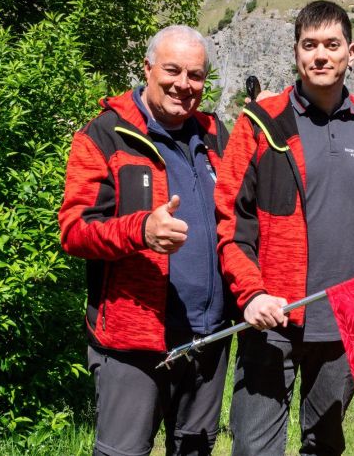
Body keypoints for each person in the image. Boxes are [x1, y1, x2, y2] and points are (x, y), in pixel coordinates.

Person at [214, 0, 354, 456]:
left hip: (342, 322)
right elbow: (230, 221)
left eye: (332, 45)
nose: (321, 55)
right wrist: (251, 294)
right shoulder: (261, 123)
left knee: (325, 445)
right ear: (296, 53)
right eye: (310, 45)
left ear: (353, 51)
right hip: (272, 318)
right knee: (253, 448)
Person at [58, 25, 230, 456]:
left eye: (195, 76)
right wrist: (140, 231)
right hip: (133, 341)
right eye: (172, 70)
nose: (183, 85)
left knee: (195, 450)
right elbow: (74, 230)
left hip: (207, 339)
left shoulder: (216, 136)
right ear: (148, 68)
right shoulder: (104, 135)